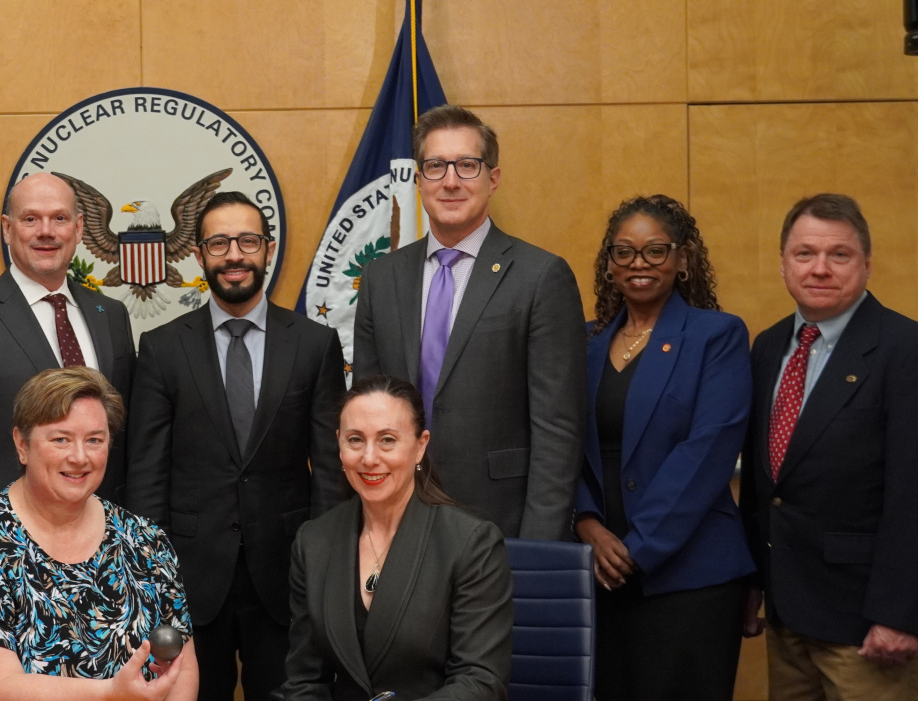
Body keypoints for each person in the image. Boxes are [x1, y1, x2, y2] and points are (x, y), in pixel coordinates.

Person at [125, 191, 349, 701]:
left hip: (287, 575)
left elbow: (332, 470)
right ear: (199, 254)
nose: (234, 255)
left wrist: (321, 566)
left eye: (248, 241)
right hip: (189, 577)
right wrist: (151, 577)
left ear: (268, 250)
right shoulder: (162, 347)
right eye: (219, 242)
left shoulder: (314, 345)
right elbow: (147, 474)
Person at [353, 104, 586, 540]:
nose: (451, 180)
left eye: (467, 165)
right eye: (436, 166)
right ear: (419, 180)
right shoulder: (381, 279)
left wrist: (539, 545)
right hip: (398, 517)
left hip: (502, 521)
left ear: (492, 178)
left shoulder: (540, 277)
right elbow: (367, 411)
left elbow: (558, 428)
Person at [0, 366, 197, 701]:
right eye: (60, 439)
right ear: (22, 444)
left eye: (94, 440)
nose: (79, 457)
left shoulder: (147, 542)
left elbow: (181, 668)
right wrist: (110, 694)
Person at [574, 195, 756, 700]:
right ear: (608, 264)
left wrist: (636, 548)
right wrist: (586, 524)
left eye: (656, 251)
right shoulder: (584, 344)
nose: (639, 264)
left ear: (683, 259)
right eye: (624, 252)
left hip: (688, 578)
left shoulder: (715, 336)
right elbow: (560, 441)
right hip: (596, 574)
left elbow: (707, 451)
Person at [741, 194, 918, 699]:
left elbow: (912, 496)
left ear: (866, 263)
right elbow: (764, 483)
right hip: (787, 616)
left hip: (866, 627)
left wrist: (900, 615)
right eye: (804, 254)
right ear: (783, 264)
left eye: (838, 255)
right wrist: (754, 579)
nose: (820, 269)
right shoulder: (770, 345)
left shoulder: (905, 349)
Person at [0, 172, 136, 531]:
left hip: (102, 545)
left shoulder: (111, 315)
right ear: (8, 229)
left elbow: (122, 442)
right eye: (31, 218)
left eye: (60, 218)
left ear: (79, 228)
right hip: (7, 552)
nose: (46, 231)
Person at [282, 375, 513, 701]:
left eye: (388, 439)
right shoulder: (313, 542)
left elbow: (481, 682)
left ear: (421, 445)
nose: (369, 458)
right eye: (355, 440)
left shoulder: (471, 543)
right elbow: (305, 681)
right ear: (338, 444)